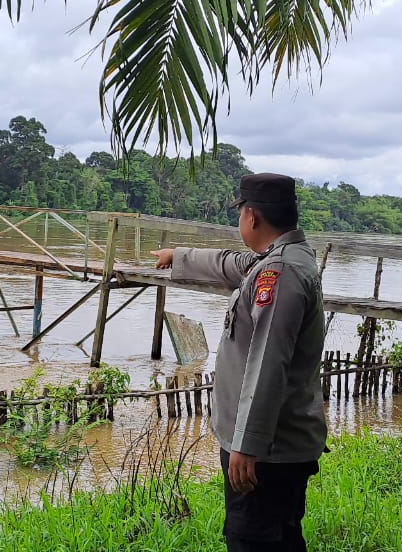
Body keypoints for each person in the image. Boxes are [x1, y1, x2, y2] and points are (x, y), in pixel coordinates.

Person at [151, 172, 327, 552]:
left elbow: (267, 362)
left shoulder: (280, 274)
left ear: (252, 218)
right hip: (275, 444)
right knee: (281, 536)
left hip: (266, 450)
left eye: (240, 214)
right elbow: (231, 263)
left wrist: (246, 445)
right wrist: (178, 257)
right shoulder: (283, 260)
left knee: (252, 539)